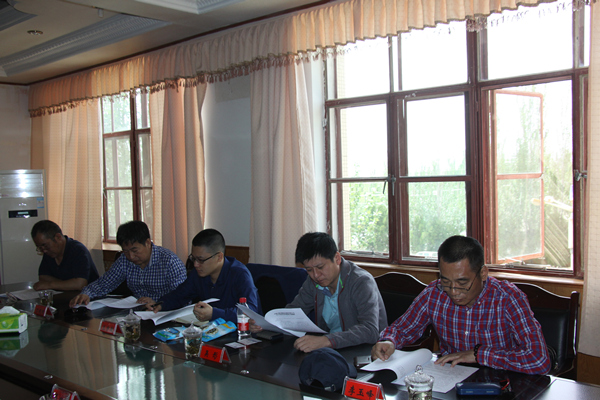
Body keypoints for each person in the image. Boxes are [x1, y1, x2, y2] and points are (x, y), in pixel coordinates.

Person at [372, 235, 550, 375]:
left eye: (462, 282)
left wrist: (479, 355)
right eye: (445, 281)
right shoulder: (435, 293)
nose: (453, 291)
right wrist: (388, 341)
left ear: (483, 273)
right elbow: (403, 328)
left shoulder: (508, 298)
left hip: (499, 381)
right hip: (449, 377)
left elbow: (539, 360)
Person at [251, 232, 387, 353]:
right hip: (332, 350)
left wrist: (327, 340)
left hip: (364, 352)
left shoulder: (360, 281)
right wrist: (265, 324)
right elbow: (293, 312)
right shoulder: (313, 283)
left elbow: (370, 330)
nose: (316, 275)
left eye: (320, 267)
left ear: (337, 258)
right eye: (309, 270)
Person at [140, 228, 259, 322]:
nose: (196, 264)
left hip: (241, 335)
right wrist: (161, 305)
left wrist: (214, 314)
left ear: (219, 257)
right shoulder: (198, 273)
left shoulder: (240, 274)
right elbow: (180, 295)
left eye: (201, 260)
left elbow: (251, 312)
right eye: (193, 258)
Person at [69, 221, 186, 306]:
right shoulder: (124, 260)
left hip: (165, 313)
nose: (131, 256)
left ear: (147, 243)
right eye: (125, 251)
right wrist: (86, 293)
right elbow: (105, 283)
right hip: (137, 311)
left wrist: (159, 302)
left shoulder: (169, 262)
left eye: (135, 251)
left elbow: (183, 296)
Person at [31, 220, 99, 291]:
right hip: (64, 295)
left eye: (46, 246)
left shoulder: (78, 250)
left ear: (58, 237)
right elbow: (43, 277)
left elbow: (80, 284)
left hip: (88, 296)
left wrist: (50, 284)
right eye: (40, 247)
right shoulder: (49, 252)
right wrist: (66, 284)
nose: (44, 251)